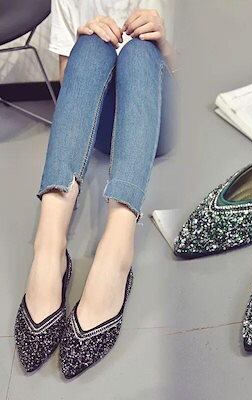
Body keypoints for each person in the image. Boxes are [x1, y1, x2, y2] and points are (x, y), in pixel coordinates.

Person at [14, 0, 176, 376]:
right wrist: (79, 46)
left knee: (140, 50)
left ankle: (115, 251)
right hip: (102, 127)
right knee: (89, 44)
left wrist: (163, 42)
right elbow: (71, 93)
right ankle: (48, 248)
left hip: (157, 120)